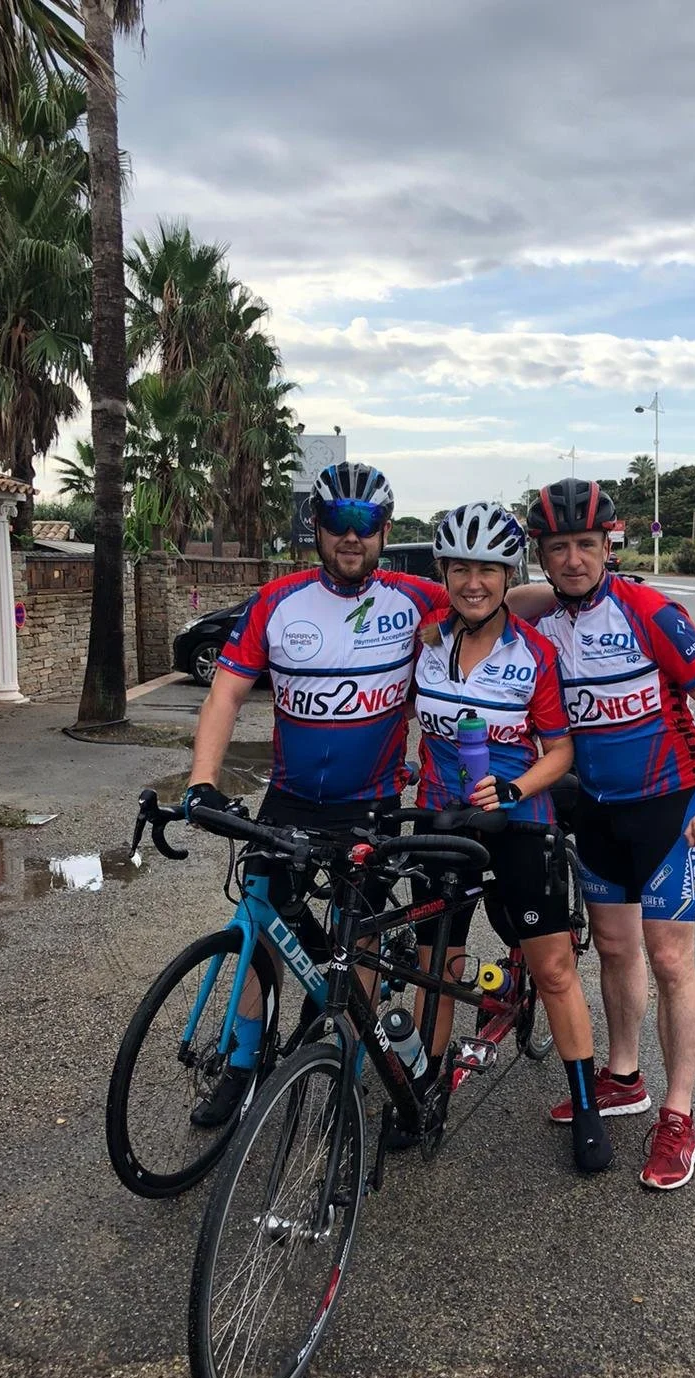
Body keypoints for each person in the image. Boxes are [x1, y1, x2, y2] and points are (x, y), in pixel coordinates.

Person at [182, 461, 446, 1123]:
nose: (351, 537)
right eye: (337, 522)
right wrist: (202, 781)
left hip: (374, 801)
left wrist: (570, 590)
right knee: (261, 929)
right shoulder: (277, 602)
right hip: (292, 799)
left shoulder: (418, 603)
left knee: (352, 941)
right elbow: (226, 693)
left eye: (366, 524)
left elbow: (493, 600)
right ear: (315, 527)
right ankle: (241, 1066)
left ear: (386, 530)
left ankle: (343, 1063)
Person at [527, 478, 695, 1191]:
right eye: (557, 547)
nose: (573, 559)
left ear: (608, 545)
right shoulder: (541, 624)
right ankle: (624, 1077)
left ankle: (679, 1119)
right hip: (594, 810)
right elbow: (487, 601)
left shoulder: (650, 611)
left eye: (585, 544)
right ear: (542, 554)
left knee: (670, 958)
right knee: (615, 948)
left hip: (668, 808)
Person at [410, 502, 613, 1175]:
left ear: (508, 576)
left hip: (520, 821)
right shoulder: (427, 643)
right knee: (437, 966)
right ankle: (425, 1086)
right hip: (443, 820)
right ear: (443, 572)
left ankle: (585, 1105)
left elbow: (559, 750)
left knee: (553, 967)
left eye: (488, 570)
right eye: (460, 568)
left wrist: (517, 790)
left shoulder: (535, 655)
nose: (473, 582)